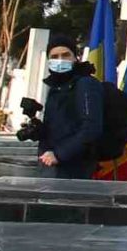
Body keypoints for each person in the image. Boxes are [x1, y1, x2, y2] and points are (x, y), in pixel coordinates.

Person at [35, 49, 108, 179]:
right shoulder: (57, 86)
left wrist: (59, 154)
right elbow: (61, 125)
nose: (60, 60)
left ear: (76, 58)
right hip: (52, 163)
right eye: (54, 56)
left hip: (75, 167)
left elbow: (91, 127)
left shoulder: (85, 84)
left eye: (66, 55)